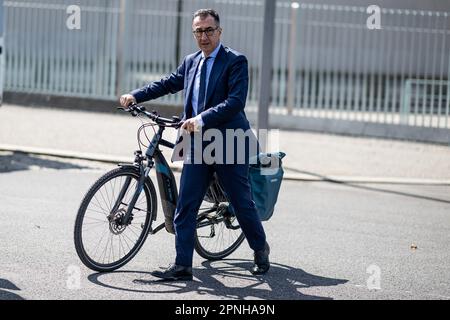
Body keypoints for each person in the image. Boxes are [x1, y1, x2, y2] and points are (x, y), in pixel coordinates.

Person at [120, 8, 269, 281]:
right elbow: (167, 83)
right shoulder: (191, 62)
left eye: (209, 30)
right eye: (198, 31)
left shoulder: (235, 61)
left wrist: (201, 118)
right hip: (198, 143)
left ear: (219, 32)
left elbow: (235, 102)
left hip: (229, 143)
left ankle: (260, 249)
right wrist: (136, 94)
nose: (204, 36)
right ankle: (182, 266)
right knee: (186, 205)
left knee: (241, 202)